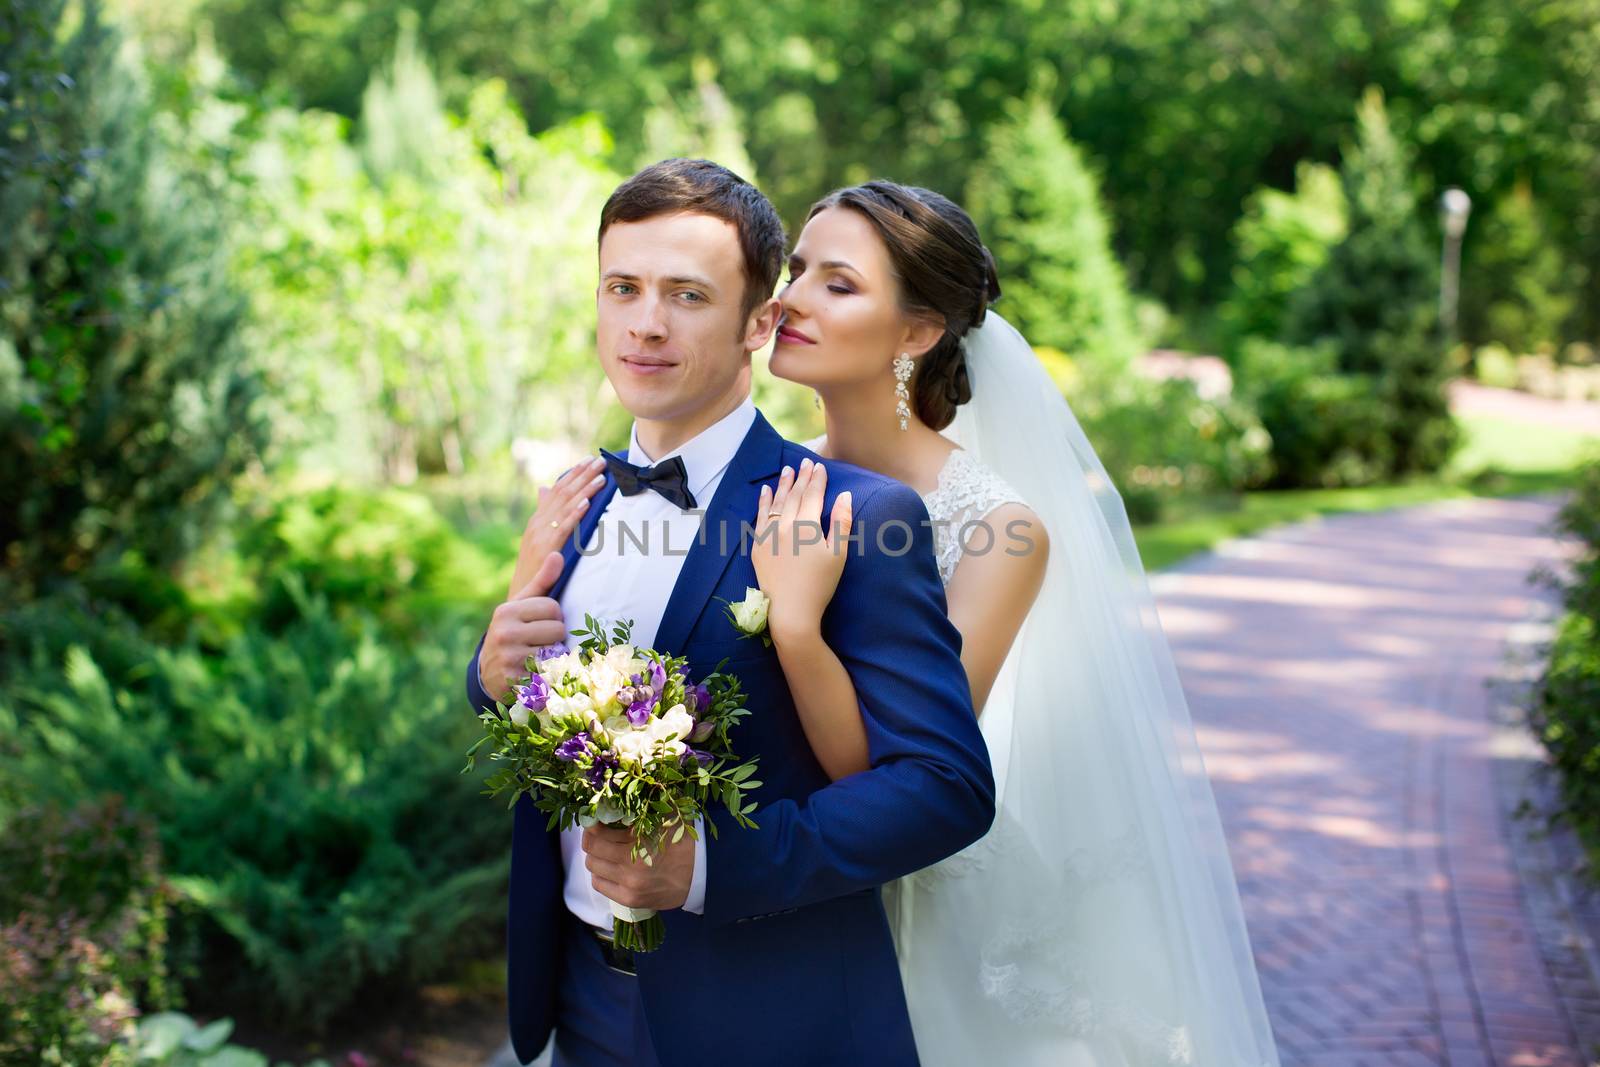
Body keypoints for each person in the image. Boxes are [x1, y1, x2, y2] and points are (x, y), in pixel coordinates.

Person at [465, 160, 995, 1067]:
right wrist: (490, 675)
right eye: (623, 287)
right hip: (575, 1001)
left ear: (760, 322)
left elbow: (944, 787)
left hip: (769, 1018)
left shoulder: (854, 515)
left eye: (687, 294)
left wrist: (708, 865)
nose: (646, 322)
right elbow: (537, 717)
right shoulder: (574, 498)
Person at [755, 180, 1283, 1067]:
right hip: (773, 895)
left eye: (838, 284)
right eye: (797, 269)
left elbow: (903, 771)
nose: (793, 297)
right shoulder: (777, 488)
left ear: (918, 333)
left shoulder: (998, 529)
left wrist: (799, 630)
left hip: (926, 916)